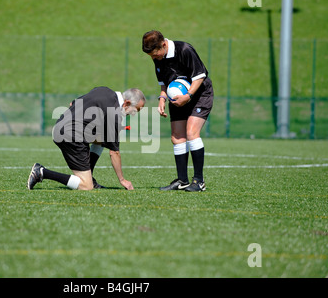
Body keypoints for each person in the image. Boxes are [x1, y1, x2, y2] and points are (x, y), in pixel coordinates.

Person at [27, 86, 146, 191]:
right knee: (86, 186)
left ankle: (90, 176)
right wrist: (122, 180)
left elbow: (72, 103)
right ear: (127, 103)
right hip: (70, 136)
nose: (134, 113)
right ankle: (42, 172)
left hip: (60, 127)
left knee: (102, 139)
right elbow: (114, 152)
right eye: (136, 110)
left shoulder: (103, 90)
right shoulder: (114, 112)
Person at [142, 30, 214, 192]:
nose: (154, 58)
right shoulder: (157, 57)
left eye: (155, 54)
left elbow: (200, 76)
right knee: (176, 137)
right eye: (152, 56)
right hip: (177, 97)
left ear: (164, 44)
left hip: (199, 94)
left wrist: (188, 96)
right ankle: (182, 180)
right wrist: (162, 98)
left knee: (191, 132)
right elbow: (164, 82)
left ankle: (199, 181)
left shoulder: (184, 50)